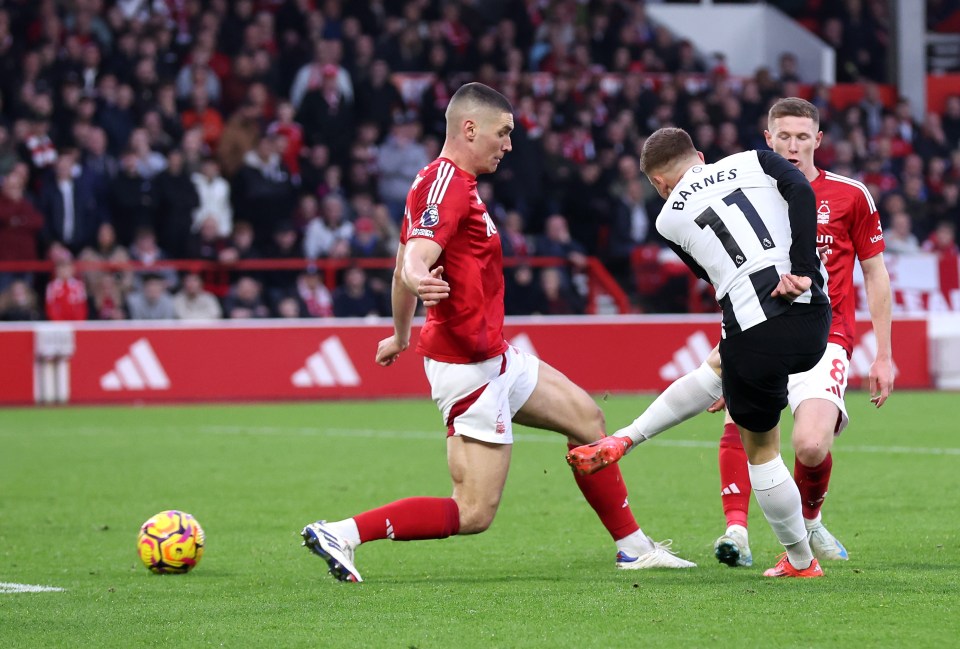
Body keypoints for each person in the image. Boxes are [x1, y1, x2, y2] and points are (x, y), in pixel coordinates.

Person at [300, 82, 695, 583]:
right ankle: (344, 532)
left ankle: (634, 548)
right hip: (468, 369)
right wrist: (421, 276)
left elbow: (404, 264)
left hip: (495, 357)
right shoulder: (443, 186)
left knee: (588, 421)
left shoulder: (447, 184)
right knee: (473, 512)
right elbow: (414, 259)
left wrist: (401, 334)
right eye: (503, 133)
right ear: (470, 129)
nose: (509, 145)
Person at [568, 99, 894, 571]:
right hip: (811, 315)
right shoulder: (757, 166)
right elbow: (798, 192)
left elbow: (718, 278)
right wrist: (803, 270)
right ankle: (740, 529)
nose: (792, 146)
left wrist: (882, 352)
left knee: (776, 448)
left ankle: (801, 553)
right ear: (767, 141)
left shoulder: (668, 218)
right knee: (725, 380)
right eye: (784, 137)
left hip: (771, 329)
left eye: (802, 137)